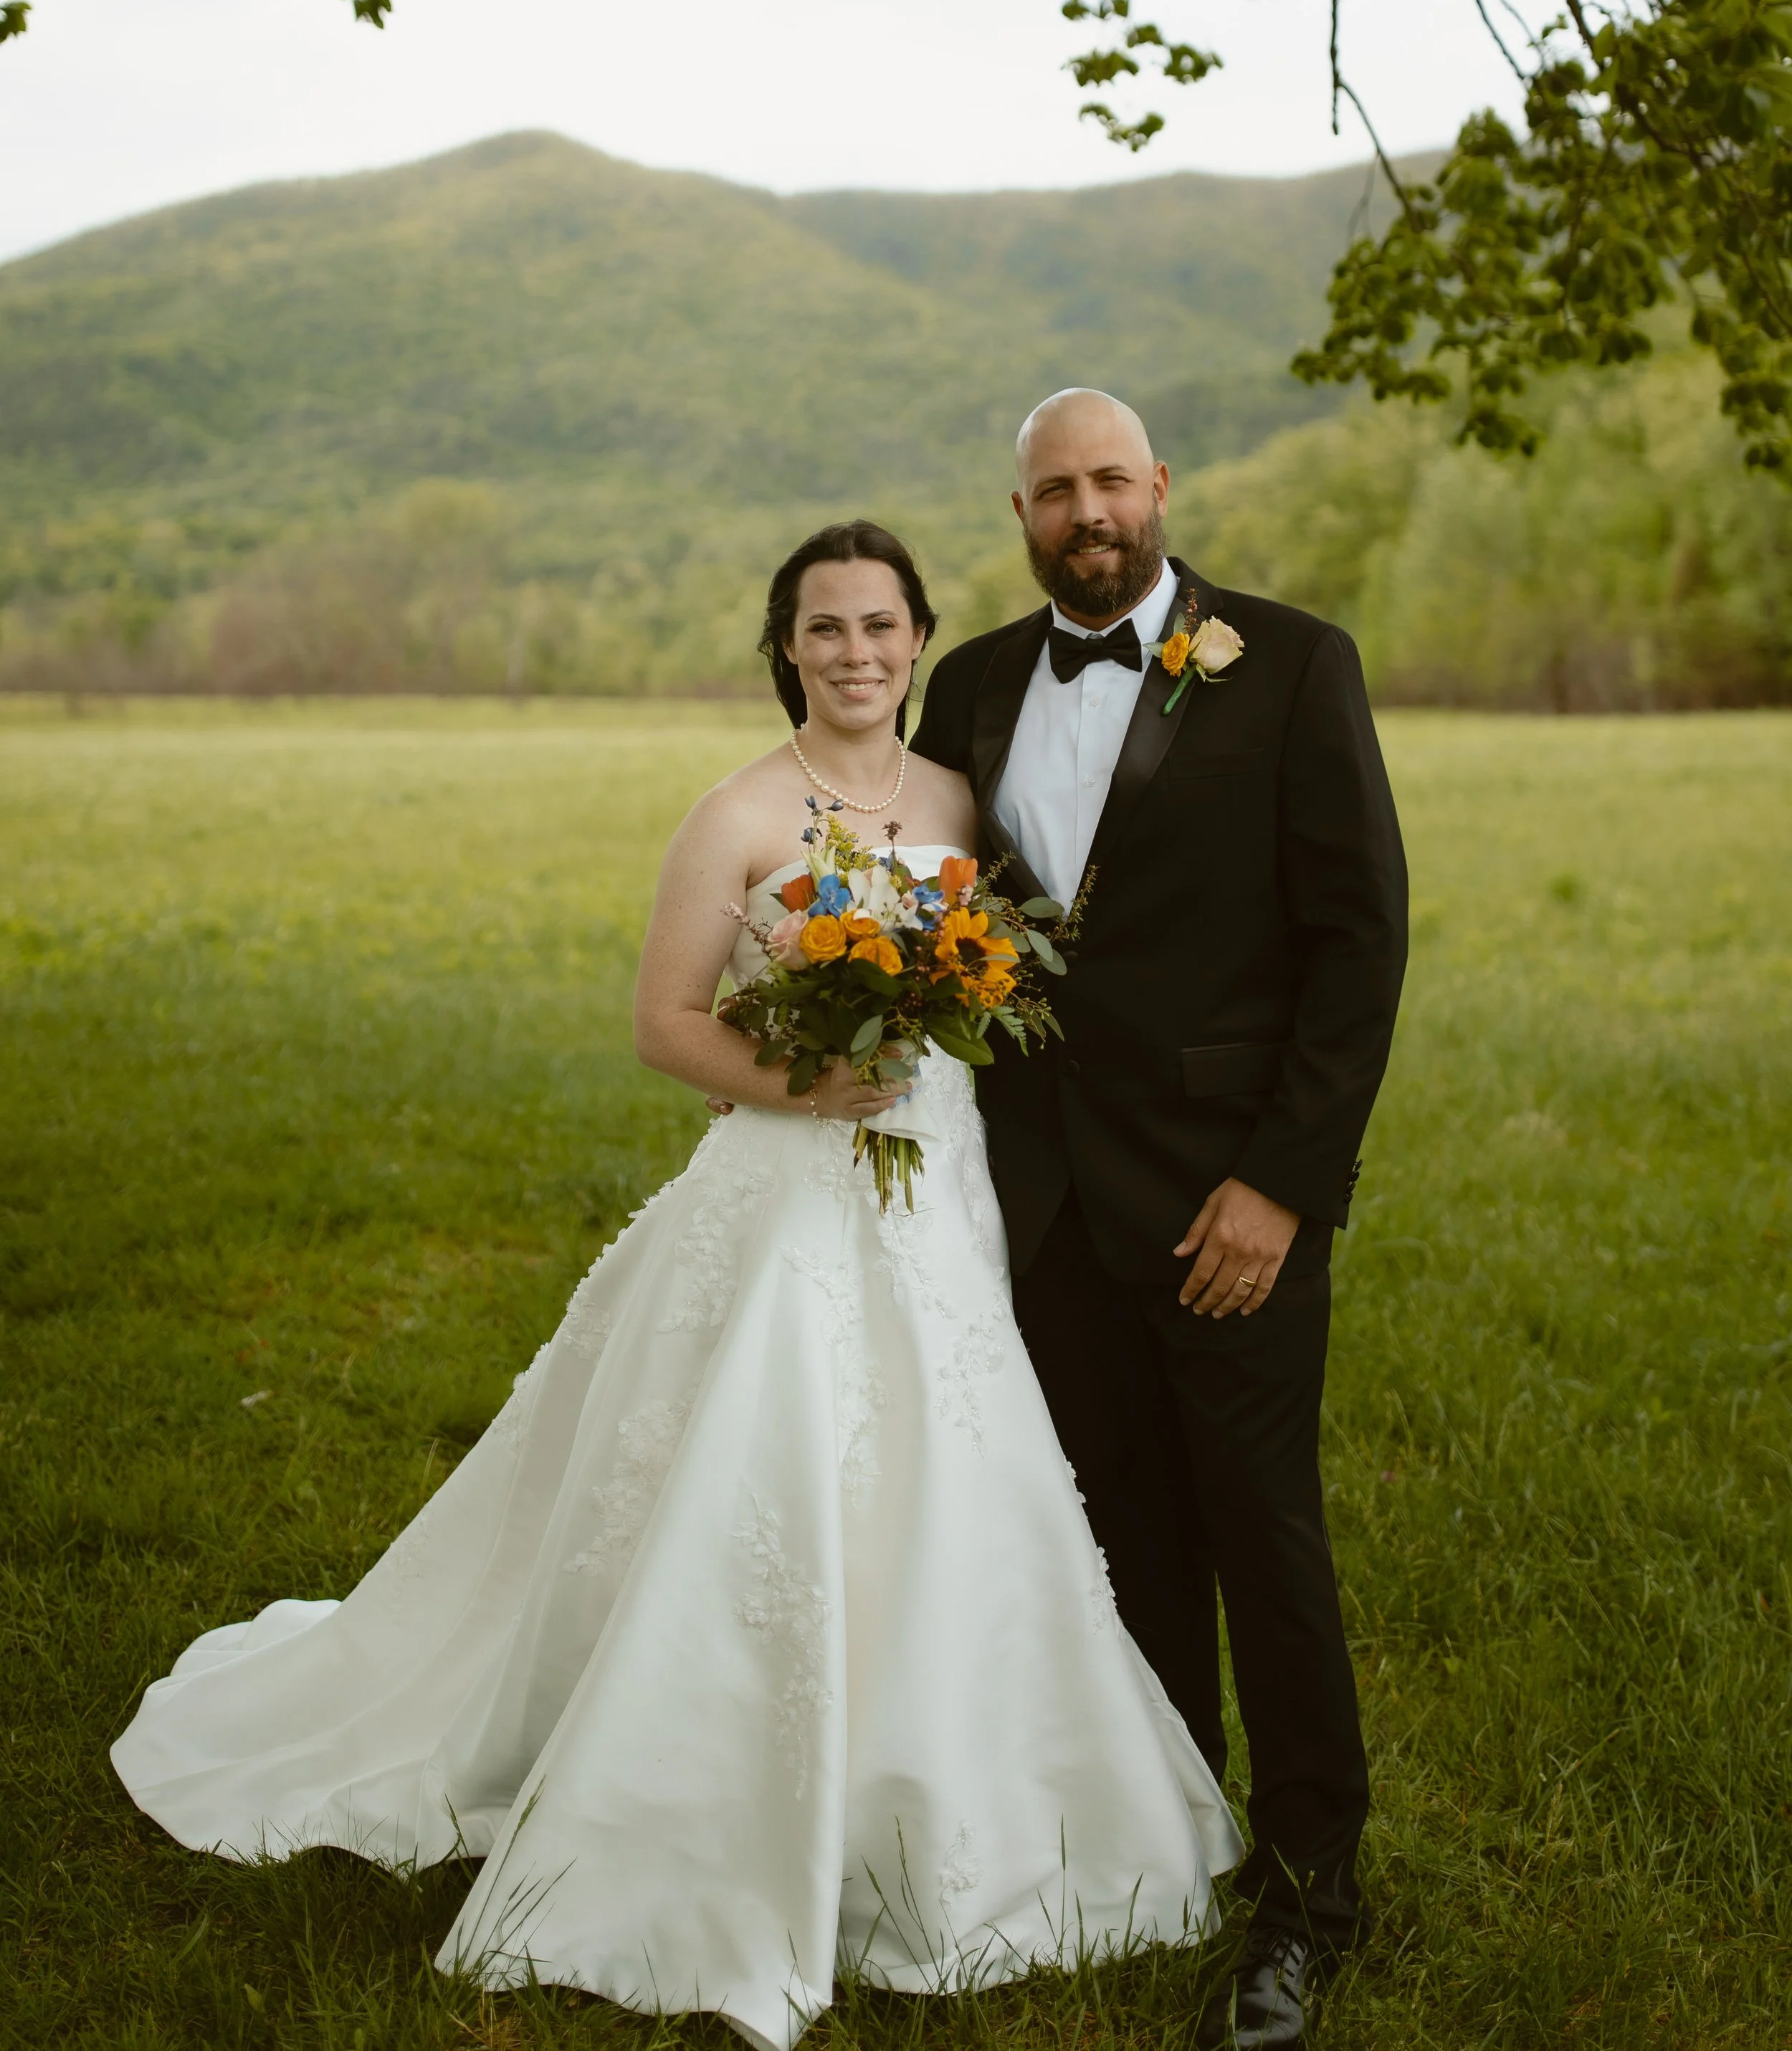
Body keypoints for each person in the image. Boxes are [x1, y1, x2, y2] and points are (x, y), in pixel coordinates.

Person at [112, 517, 1239, 2051]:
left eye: (881, 626)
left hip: (938, 1186)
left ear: (919, 642)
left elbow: (1012, 979)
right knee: (764, 1458)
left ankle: (966, 1785)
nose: (856, 653)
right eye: (824, 628)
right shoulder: (735, 815)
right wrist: (802, 1079)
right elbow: (663, 1022)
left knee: (956, 1465)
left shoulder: (965, 802)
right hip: (787, 1193)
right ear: (784, 646)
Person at [912, 393, 1408, 2050]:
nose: (1084, 511)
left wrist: (1280, 1184)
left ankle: (1308, 1897)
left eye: (1109, 480)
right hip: (1041, 1201)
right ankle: (1163, 1849)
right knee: (1117, 1541)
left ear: (1160, 490)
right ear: (1020, 512)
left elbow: (1356, 945)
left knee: (1259, 1538)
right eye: (1054, 490)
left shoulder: (1289, 662)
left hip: (1224, 1201)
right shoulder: (972, 683)